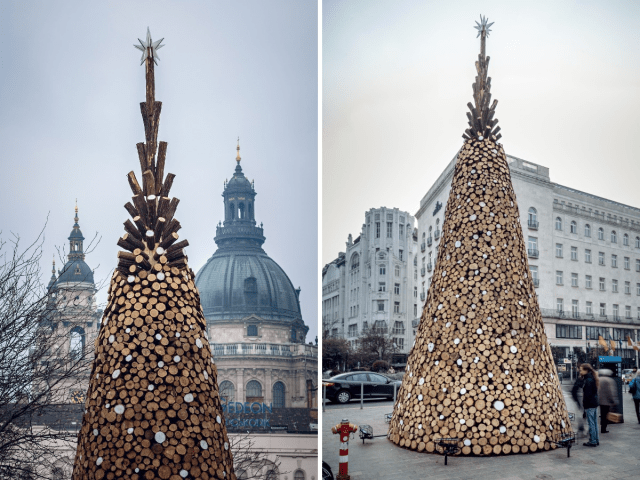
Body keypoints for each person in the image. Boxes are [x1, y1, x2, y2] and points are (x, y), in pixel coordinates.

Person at [577, 364, 600, 447]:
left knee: (591, 424)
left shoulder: (588, 380)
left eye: (581, 370)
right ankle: (596, 440)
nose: (580, 371)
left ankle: (593, 441)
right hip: (594, 403)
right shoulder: (592, 378)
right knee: (594, 423)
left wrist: (584, 407)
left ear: (586, 370)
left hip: (589, 405)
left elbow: (587, 395)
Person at [598, 369, 618, 433]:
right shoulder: (609, 380)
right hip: (607, 401)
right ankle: (604, 428)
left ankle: (602, 427)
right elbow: (611, 392)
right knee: (606, 415)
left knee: (602, 414)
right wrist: (613, 400)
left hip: (600, 400)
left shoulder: (599, 379)